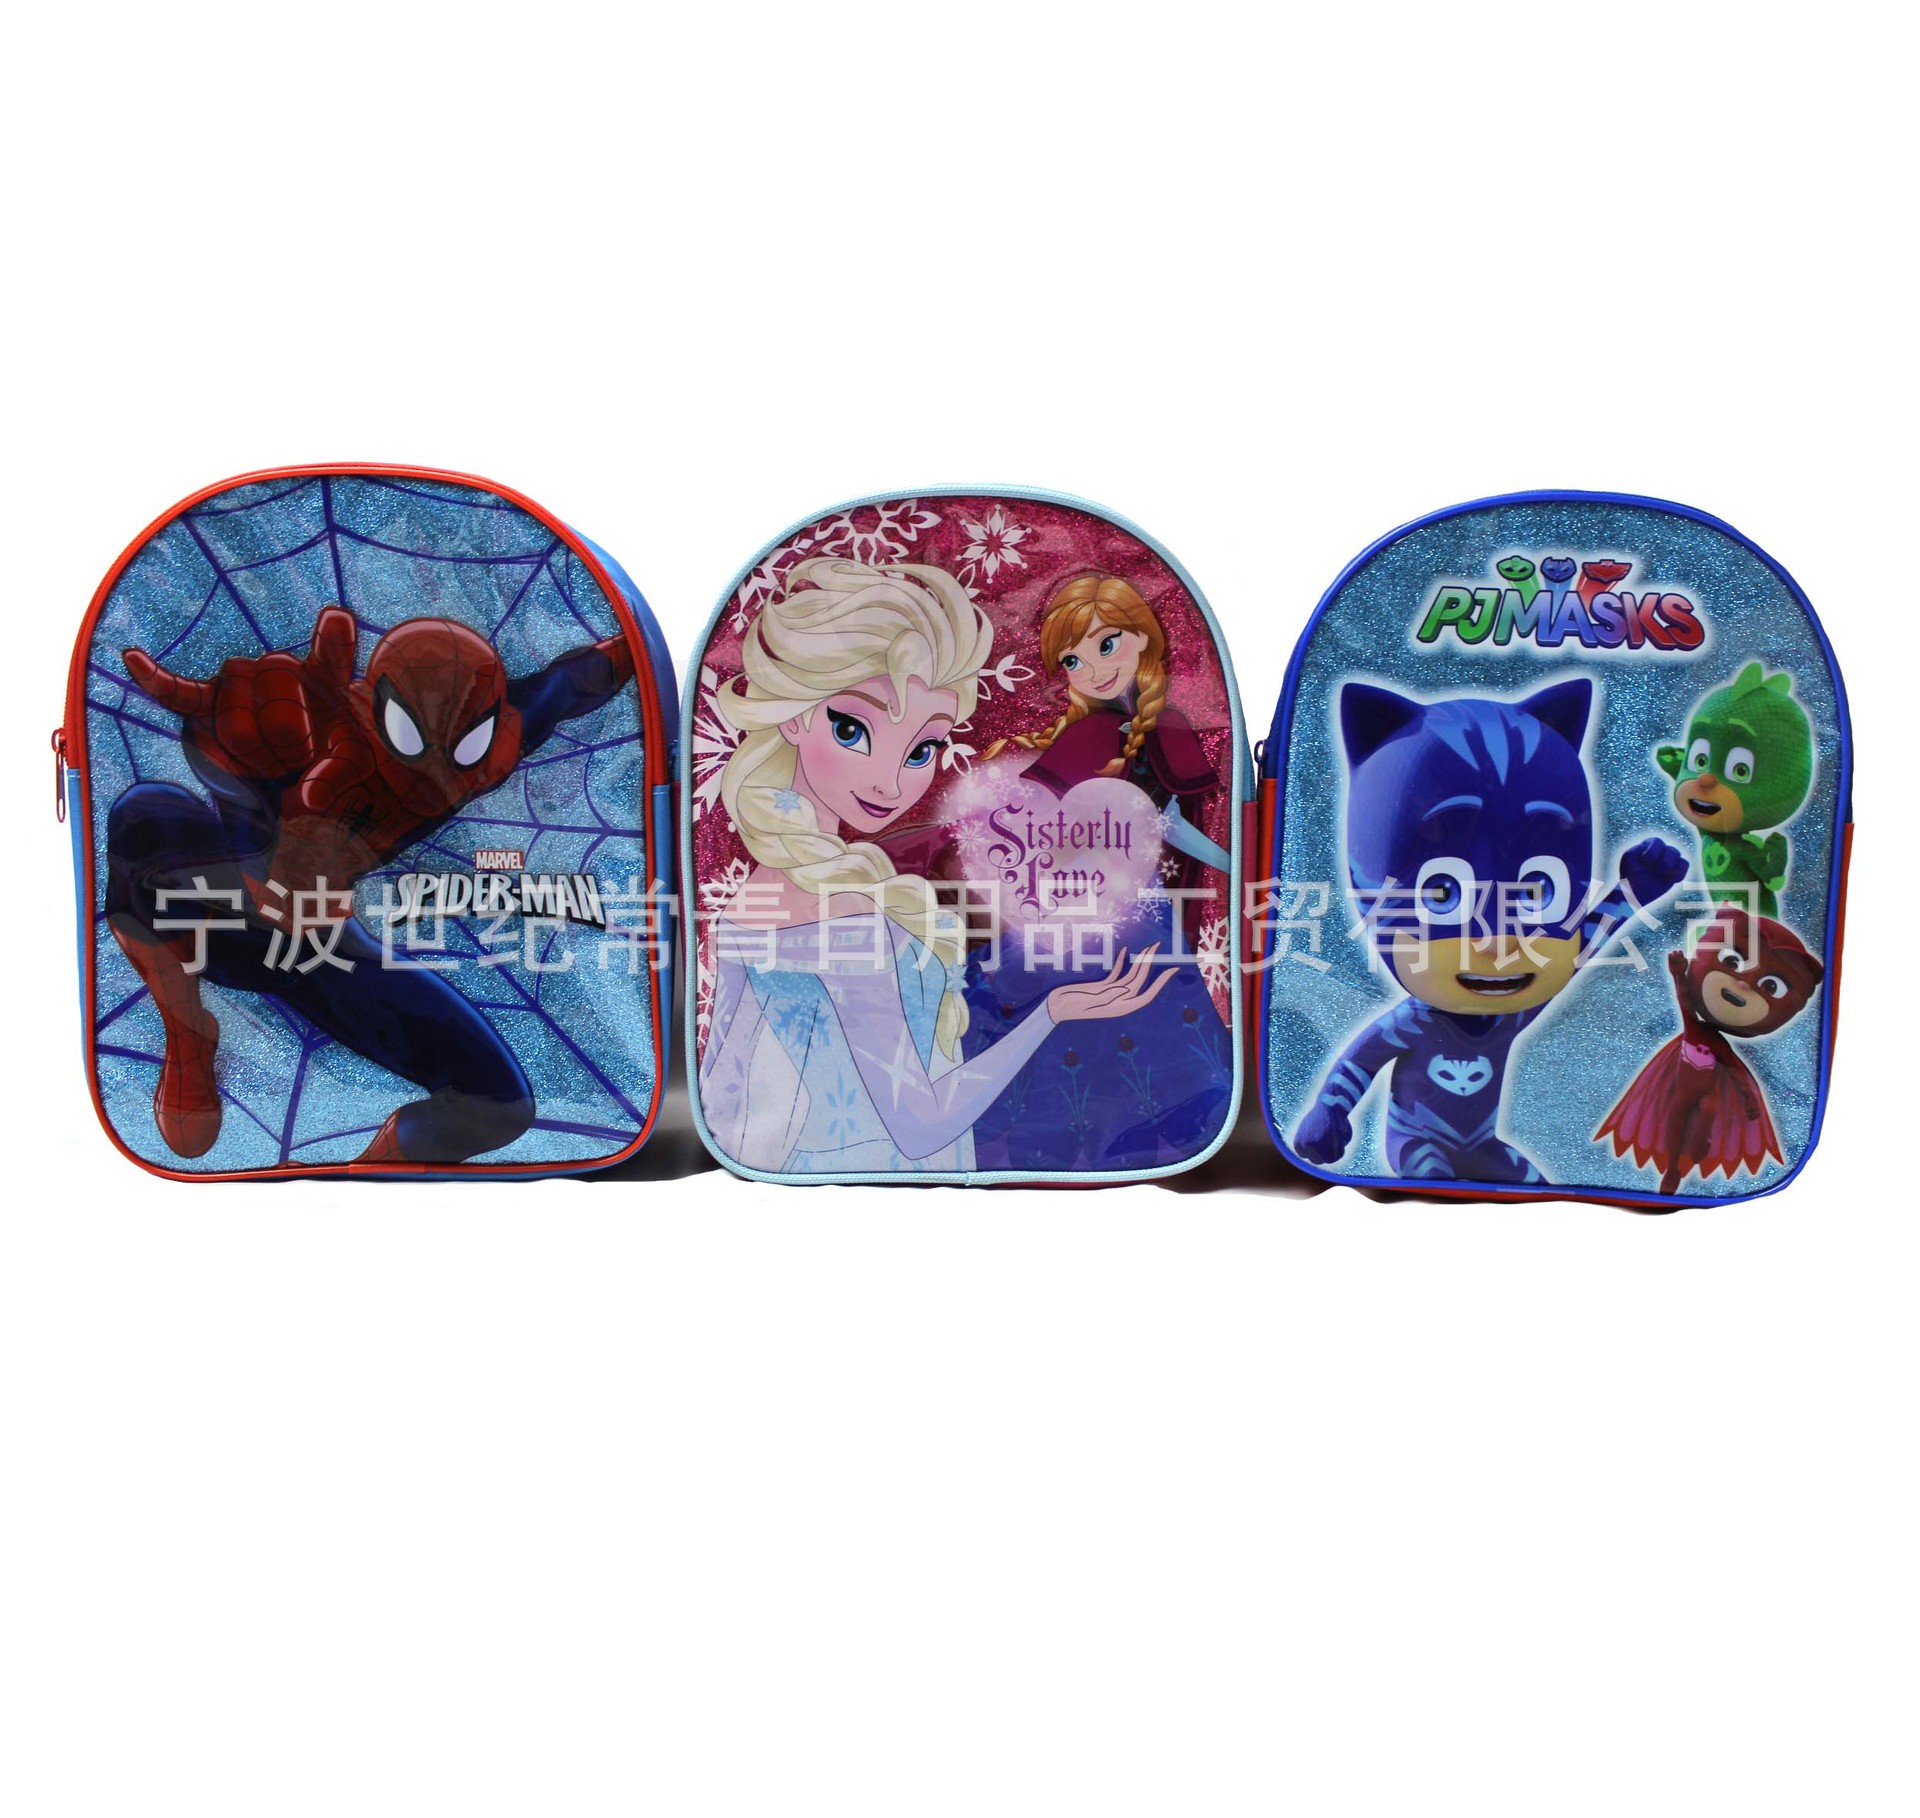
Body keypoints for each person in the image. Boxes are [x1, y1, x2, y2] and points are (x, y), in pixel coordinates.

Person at [699, 558, 1170, 1175]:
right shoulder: (844, 913)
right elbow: (921, 1128)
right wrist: (1051, 1013)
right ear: (793, 714)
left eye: (921, 749)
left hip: (798, 1166)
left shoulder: (755, 896)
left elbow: (724, 1083)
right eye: (852, 730)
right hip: (882, 1169)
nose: (890, 781)